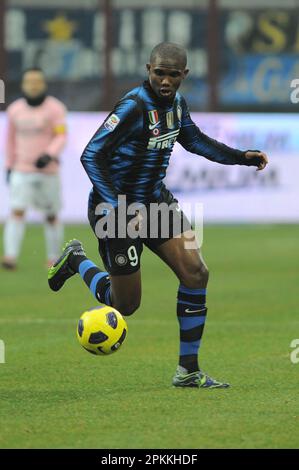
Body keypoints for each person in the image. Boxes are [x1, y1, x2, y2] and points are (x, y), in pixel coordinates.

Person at [48, 43, 268, 388]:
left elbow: (195, 141)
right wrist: (115, 206)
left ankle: (188, 371)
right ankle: (77, 260)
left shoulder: (178, 105)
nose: (165, 81)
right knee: (126, 305)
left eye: (173, 75)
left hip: (156, 203)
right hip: (116, 211)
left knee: (196, 273)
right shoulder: (134, 106)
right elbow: (91, 154)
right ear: (149, 69)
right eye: (159, 73)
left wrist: (241, 157)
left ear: (185, 75)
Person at [2, 68, 67, 270]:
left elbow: (61, 135)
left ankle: (54, 257)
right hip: (22, 169)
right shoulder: (15, 110)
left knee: (51, 214)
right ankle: (10, 257)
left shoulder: (55, 108)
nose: (33, 85)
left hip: (48, 171)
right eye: (29, 81)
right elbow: (10, 140)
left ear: (43, 84)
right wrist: (9, 166)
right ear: (23, 84)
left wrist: (49, 154)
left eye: (37, 81)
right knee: (17, 211)